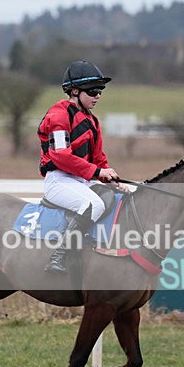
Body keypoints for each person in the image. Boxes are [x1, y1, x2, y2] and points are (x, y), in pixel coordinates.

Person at [37, 60, 127, 274]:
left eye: (100, 91)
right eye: (93, 91)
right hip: (59, 180)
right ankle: (58, 257)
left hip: (81, 181)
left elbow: (98, 158)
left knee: (115, 199)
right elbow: (60, 156)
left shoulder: (93, 121)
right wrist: (97, 172)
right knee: (93, 205)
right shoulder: (58, 116)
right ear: (74, 91)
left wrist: (110, 177)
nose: (97, 96)